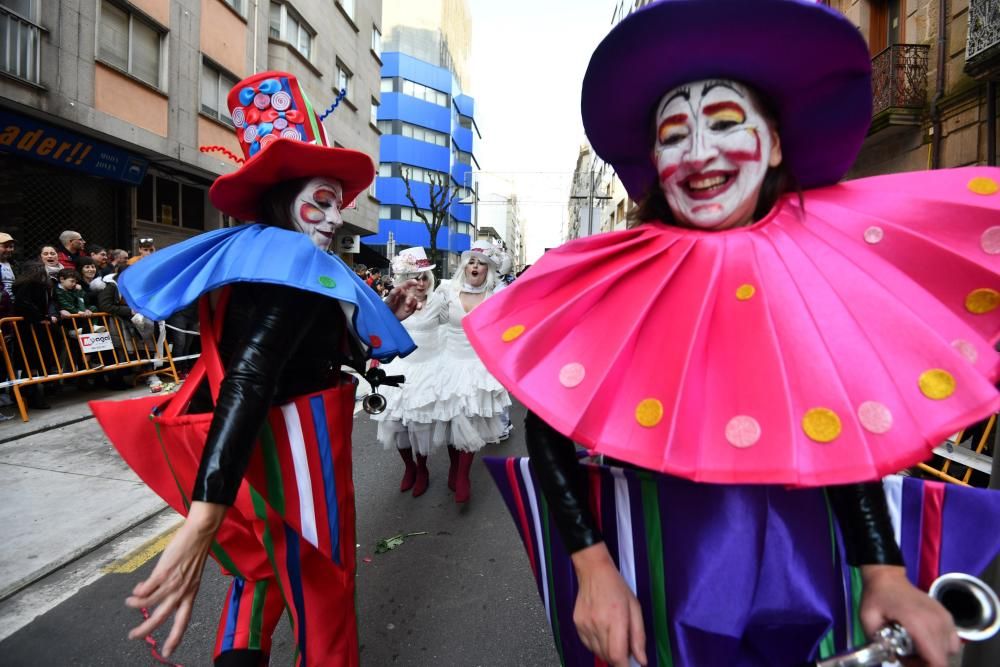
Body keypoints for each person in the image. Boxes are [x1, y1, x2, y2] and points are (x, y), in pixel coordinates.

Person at [463, 2, 1000, 666]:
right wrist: (592, 567)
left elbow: (842, 419)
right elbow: (548, 427)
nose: (699, 154)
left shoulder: (815, 268)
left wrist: (883, 570)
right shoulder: (622, 276)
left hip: (802, 572)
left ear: (774, 144)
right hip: (663, 568)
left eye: (723, 122)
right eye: (672, 134)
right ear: (654, 162)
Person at [91, 71, 420, 666]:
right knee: (325, 583)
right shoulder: (291, 262)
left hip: (251, 452)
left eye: (337, 204)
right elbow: (251, 374)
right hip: (297, 448)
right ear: (282, 197)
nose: (334, 217)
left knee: (259, 575)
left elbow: (295, 354)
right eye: (320, 200)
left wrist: (373, 326)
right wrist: (203, 515)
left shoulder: (253, 256)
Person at [432, 241, 511, 503]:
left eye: (481, 263)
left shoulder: (496, 296)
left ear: (489, 269)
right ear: (465, 266)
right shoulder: (446, 291)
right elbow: (435, 322)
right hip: (449, 363)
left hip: (478, 366)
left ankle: (463, 473)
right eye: (472, 262)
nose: (475, 266)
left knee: (471, 419)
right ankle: (454, 466)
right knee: (452, 418)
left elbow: (503, 330)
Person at [372, 247, 446, 497]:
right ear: (405, 279)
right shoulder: (391, 303)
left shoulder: (439, 302)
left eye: (425, 276)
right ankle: (409, 467)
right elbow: (378, 332)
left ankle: (423, 469)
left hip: (427, 369)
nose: (422, 282)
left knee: (419, 424)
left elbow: (455, 329)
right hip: (397, 369)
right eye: (416, 276)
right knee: (395, 423)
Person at [0, 232, 15, 318]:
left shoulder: (15, 265)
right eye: (5, 246)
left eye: (11, 246)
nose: (9, 249)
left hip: (12, 307)